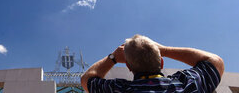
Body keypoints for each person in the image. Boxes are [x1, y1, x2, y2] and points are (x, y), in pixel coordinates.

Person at [81, 34, 224, 93]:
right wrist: (164, 49)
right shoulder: (187, 84)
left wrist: (112, 58)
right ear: (161, 62)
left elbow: (86, 80)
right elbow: (216, 62)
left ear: (129, 66)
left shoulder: (119, 89)